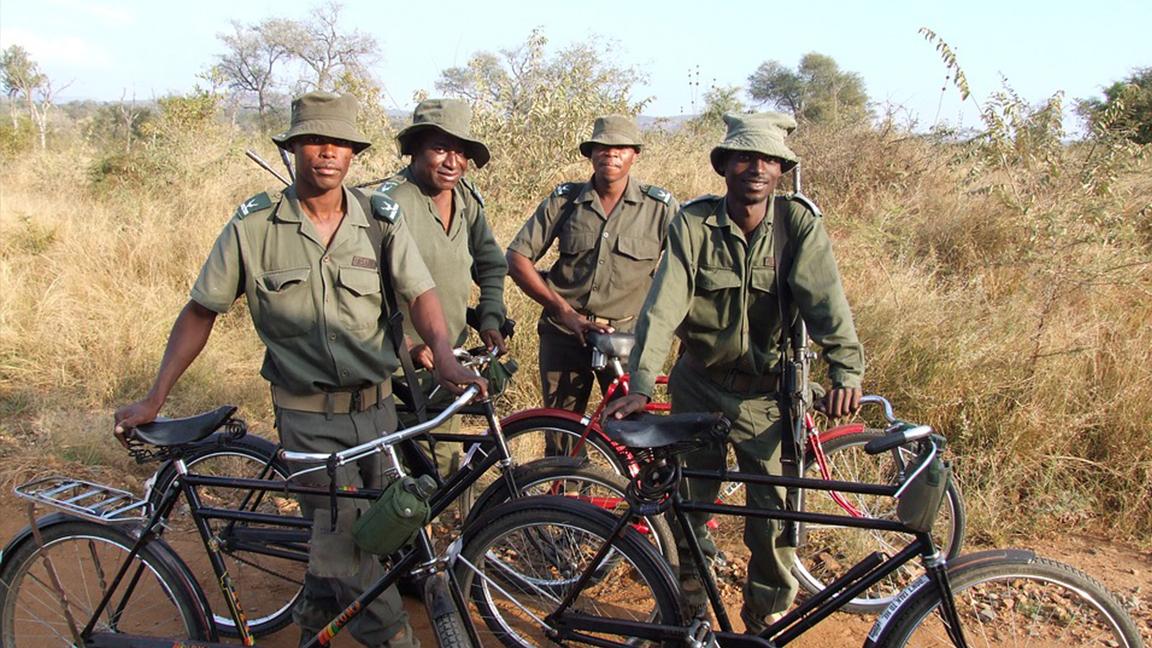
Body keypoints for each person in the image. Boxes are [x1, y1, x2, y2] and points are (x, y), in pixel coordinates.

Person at [114, 92, 484, 648]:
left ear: (354, 153)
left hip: (381, 414)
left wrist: (446, 354)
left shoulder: (378, 221)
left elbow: (421, 292)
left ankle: (313, 629)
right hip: (308, 421)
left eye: (339, 143)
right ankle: (396, 638)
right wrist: (154, 398)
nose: (327, 153)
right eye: (314, 141)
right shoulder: (255, 226)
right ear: (292, 149)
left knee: (376, 535)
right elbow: (200, 312)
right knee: (355, 552)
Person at [604, 112, 864, 633]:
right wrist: (640, 383)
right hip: (699, 384)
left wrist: (845, 370)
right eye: (745, 157)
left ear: (781, 169)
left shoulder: (797, 225)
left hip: (769, 399)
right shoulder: (695, 223)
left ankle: (762, 624)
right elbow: (663, 307)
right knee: (687, 505)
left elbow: (826, 302)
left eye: (768, 159)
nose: (756, 168)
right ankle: (690, 608)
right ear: (724, 166)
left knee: (774, 521)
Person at [506, 114, 677, 454]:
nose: (610, 155)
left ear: (634, 154)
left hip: (626, 339)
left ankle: (637, 503)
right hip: (565, 334)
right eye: (602, 147)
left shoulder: (659, 207)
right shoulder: (565, 200)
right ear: (590, 153)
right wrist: (564, 312)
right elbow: (517, 258)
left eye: (620, 148)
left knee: (636, 434)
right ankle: (566, 501)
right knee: (561, 432)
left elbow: (681, 275)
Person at [375, 98, 507, 476]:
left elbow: (491, 263)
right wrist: (409, 346)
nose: (453, 162)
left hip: (450, 359)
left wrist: (491, 315)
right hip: (397, 367)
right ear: (415, 149)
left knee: (444, 466)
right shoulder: (390, 204)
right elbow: (362, 291)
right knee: (397, 477)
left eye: (461, 152)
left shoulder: (465, 199)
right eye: (440, 148)